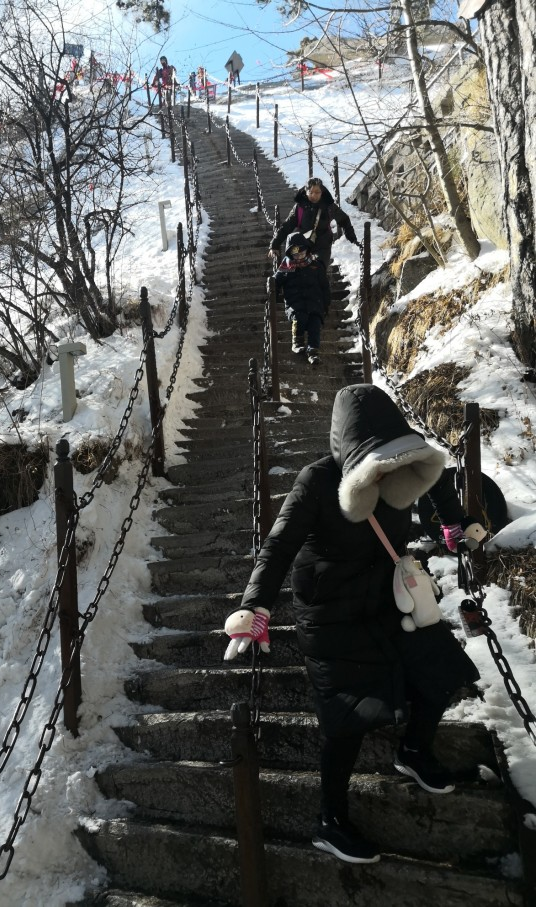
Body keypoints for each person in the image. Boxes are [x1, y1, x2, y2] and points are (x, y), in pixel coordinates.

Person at [224, 384, 482, 865]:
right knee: (346, 718)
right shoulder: (317, 481)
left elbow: (437, 479)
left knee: (443, 669)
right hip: (329, 613)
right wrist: (256, 606)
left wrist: (455, 522)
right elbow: (278, 546)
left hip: (386, 597)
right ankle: (330, 818)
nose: (391, 470)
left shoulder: (405, 463)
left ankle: (413, 749)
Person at [269, 177, 360, 269]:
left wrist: (352, 237)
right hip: (302, 243)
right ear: (306, 191)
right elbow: (287, 226)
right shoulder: (299, 207)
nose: (314, 195)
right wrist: (275, 244)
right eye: (311, 192)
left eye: (317, 192)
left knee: (320, 270)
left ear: (322, 192)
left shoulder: (329, 206)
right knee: (300, 272)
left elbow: (344, 219)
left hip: (323, 243)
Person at [274, 232, 330, 363]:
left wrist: (326, 303)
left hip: (315, 302)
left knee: (315, 324)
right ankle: (297, 342)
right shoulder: (285, 268)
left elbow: (324, 286)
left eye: (302, 253)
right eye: (295, 254)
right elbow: (276, 282)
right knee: (300, 318)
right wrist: (273, 293)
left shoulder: (316, 265)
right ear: (290, 254)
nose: (299, 256)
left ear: (307, 251)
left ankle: (313, 351)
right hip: (295, 303)